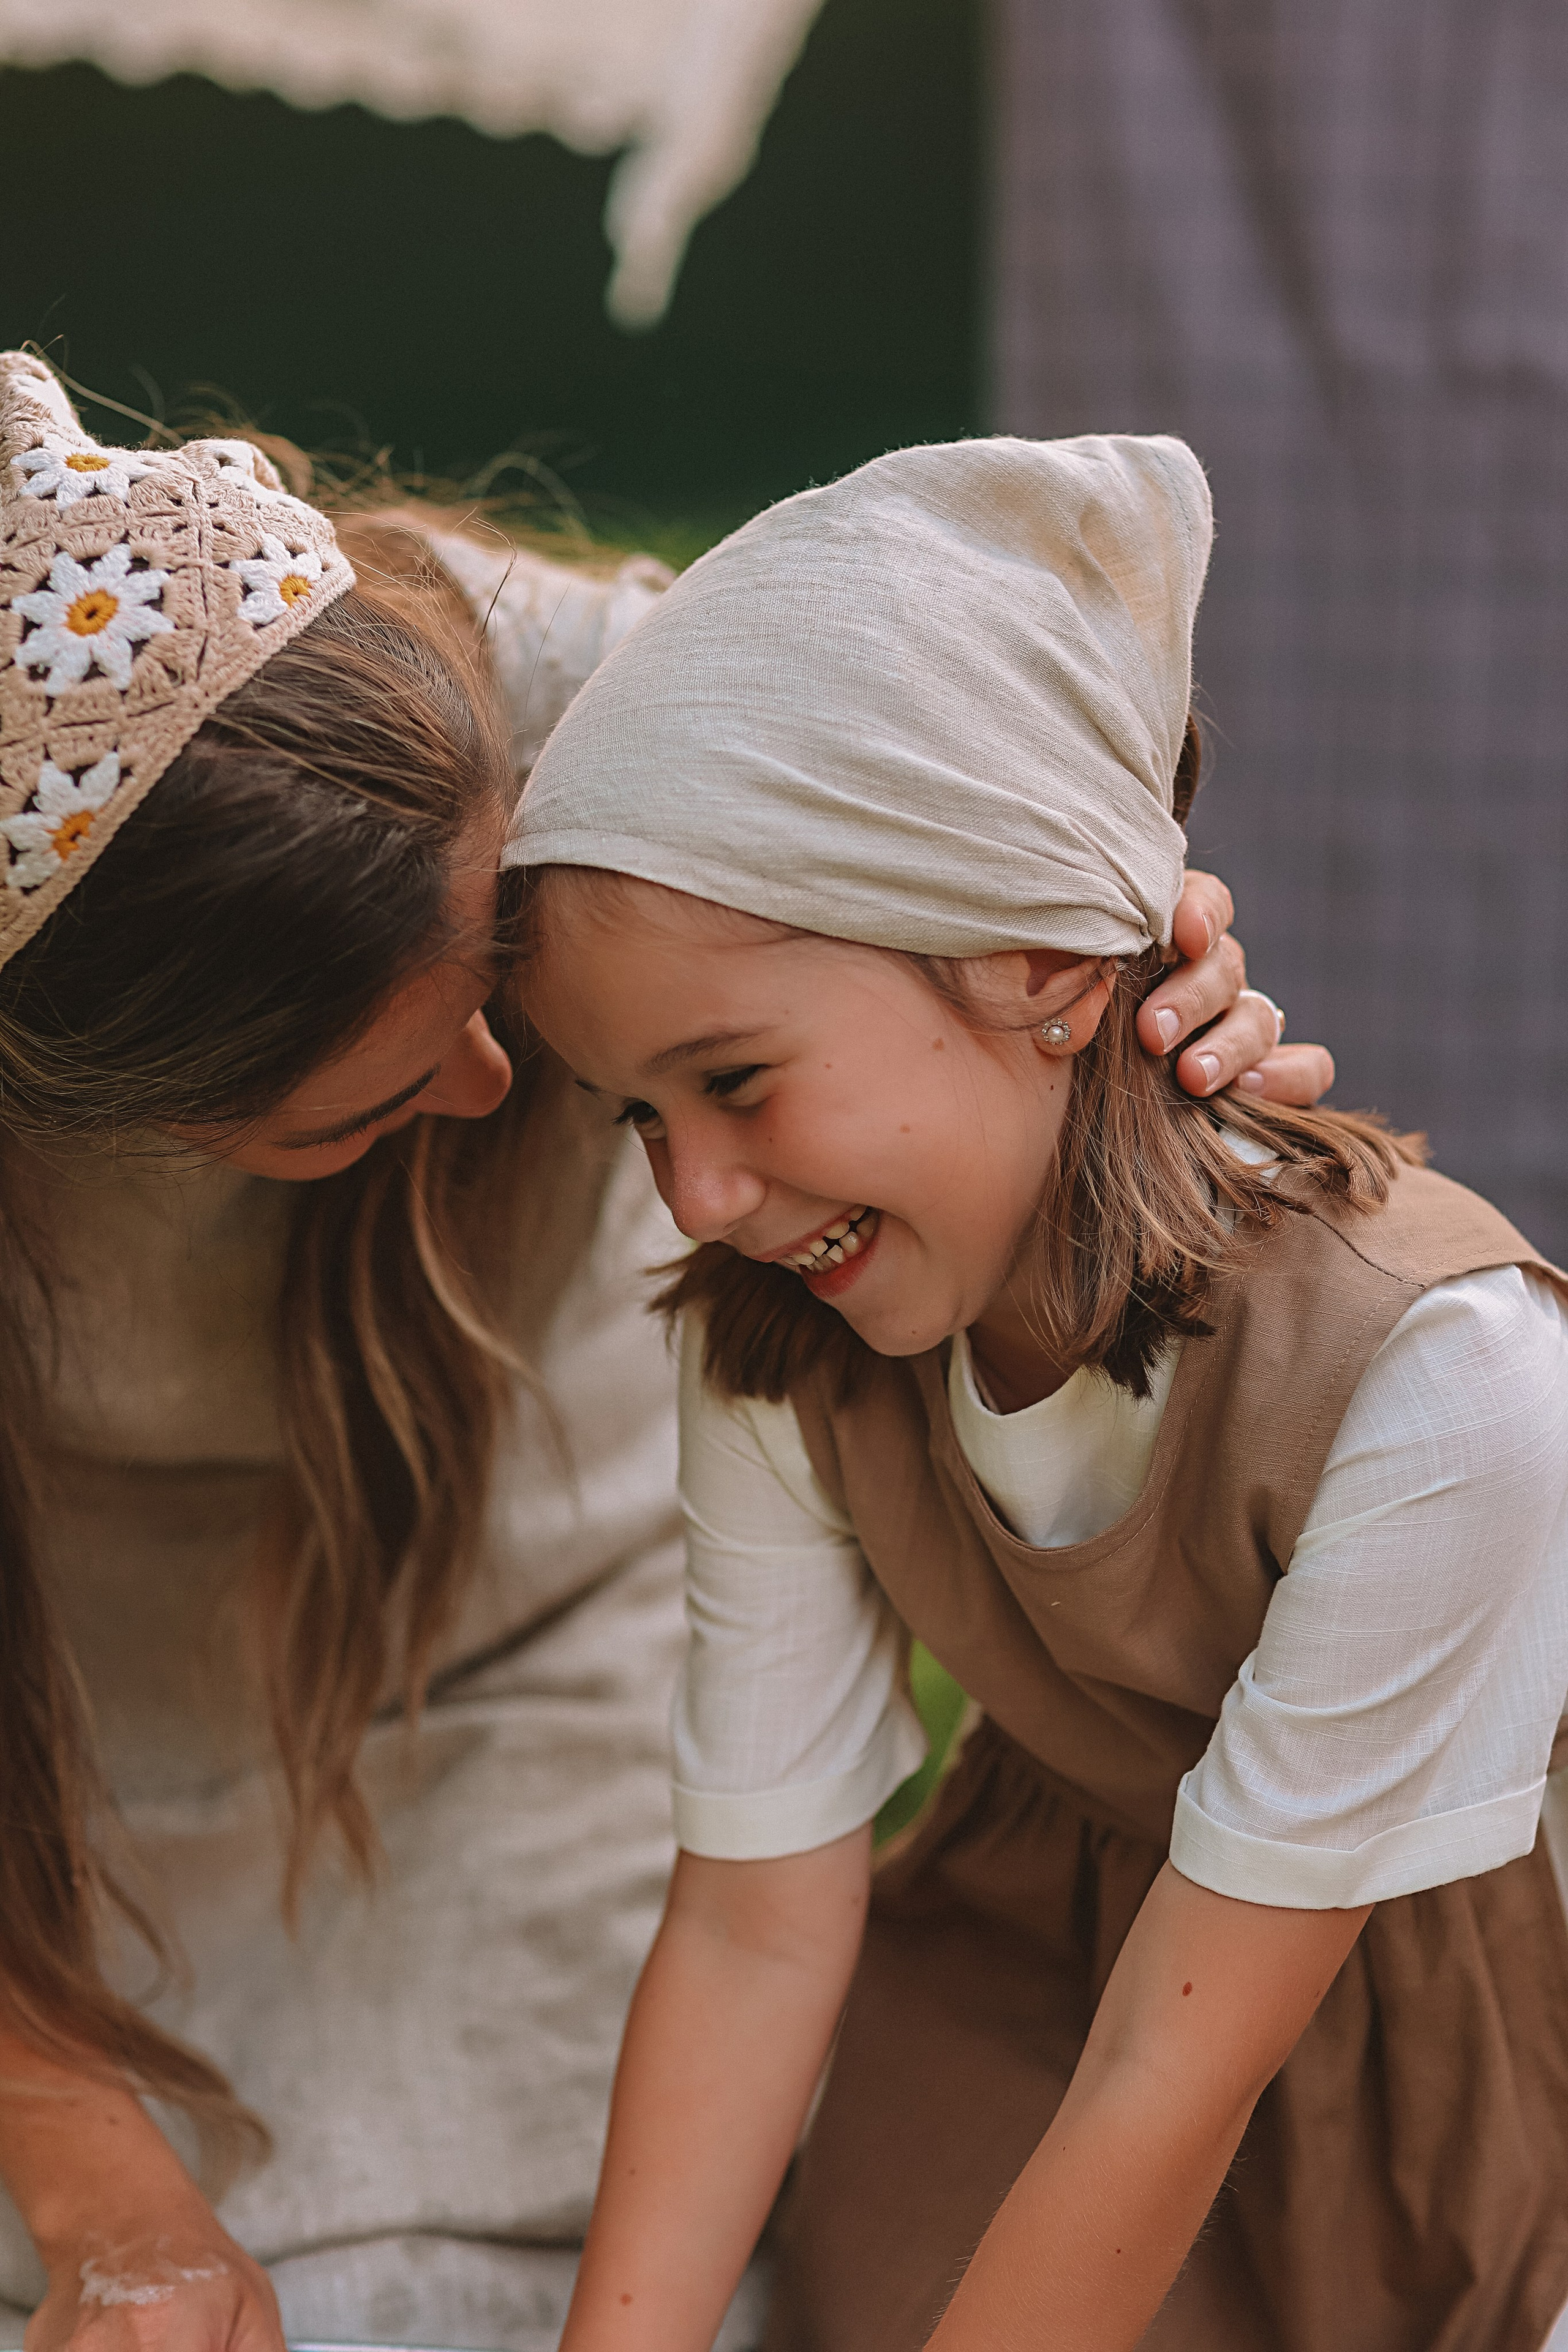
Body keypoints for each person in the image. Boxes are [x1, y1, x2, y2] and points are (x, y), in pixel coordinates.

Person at [0, 356, 1302, 2352]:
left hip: (547, 1648)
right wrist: (111, 2203)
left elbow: (980, 813)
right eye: (355, 1112)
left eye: (501, 996)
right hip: (74, 1742)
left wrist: (1112, 932)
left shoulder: (570, 702)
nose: (496, 1083)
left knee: (536, 2241)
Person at [515, 432, 1568, 2352]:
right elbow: (754, 1925)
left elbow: (1180, 2069)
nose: (695, 1196)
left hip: (1416, 2045)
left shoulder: (1443, 1381)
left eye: (734, 1082)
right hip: (1023, 1983)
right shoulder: (779, 1340)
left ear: (1037, 962)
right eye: (637, 1117)